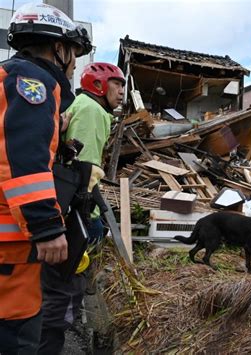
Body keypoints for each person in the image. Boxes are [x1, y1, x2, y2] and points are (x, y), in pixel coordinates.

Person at [0, 3, 92, 354]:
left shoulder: (10, 79)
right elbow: (22, 159)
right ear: (59, 48)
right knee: (18, 338)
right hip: (11, 251)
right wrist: (47, 227)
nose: (73, 65)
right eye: (74, 55)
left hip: (10, 245)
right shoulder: (33, 83)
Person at [39, 62, 125, 354]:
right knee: (66, 287)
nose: (122, 91)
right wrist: (89, 213)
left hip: (63, 205)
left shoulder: (83, 105)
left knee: (57, 286)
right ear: (99, 85)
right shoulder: (93, 111)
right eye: (117, 84)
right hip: (74, 211)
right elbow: (83, 170)